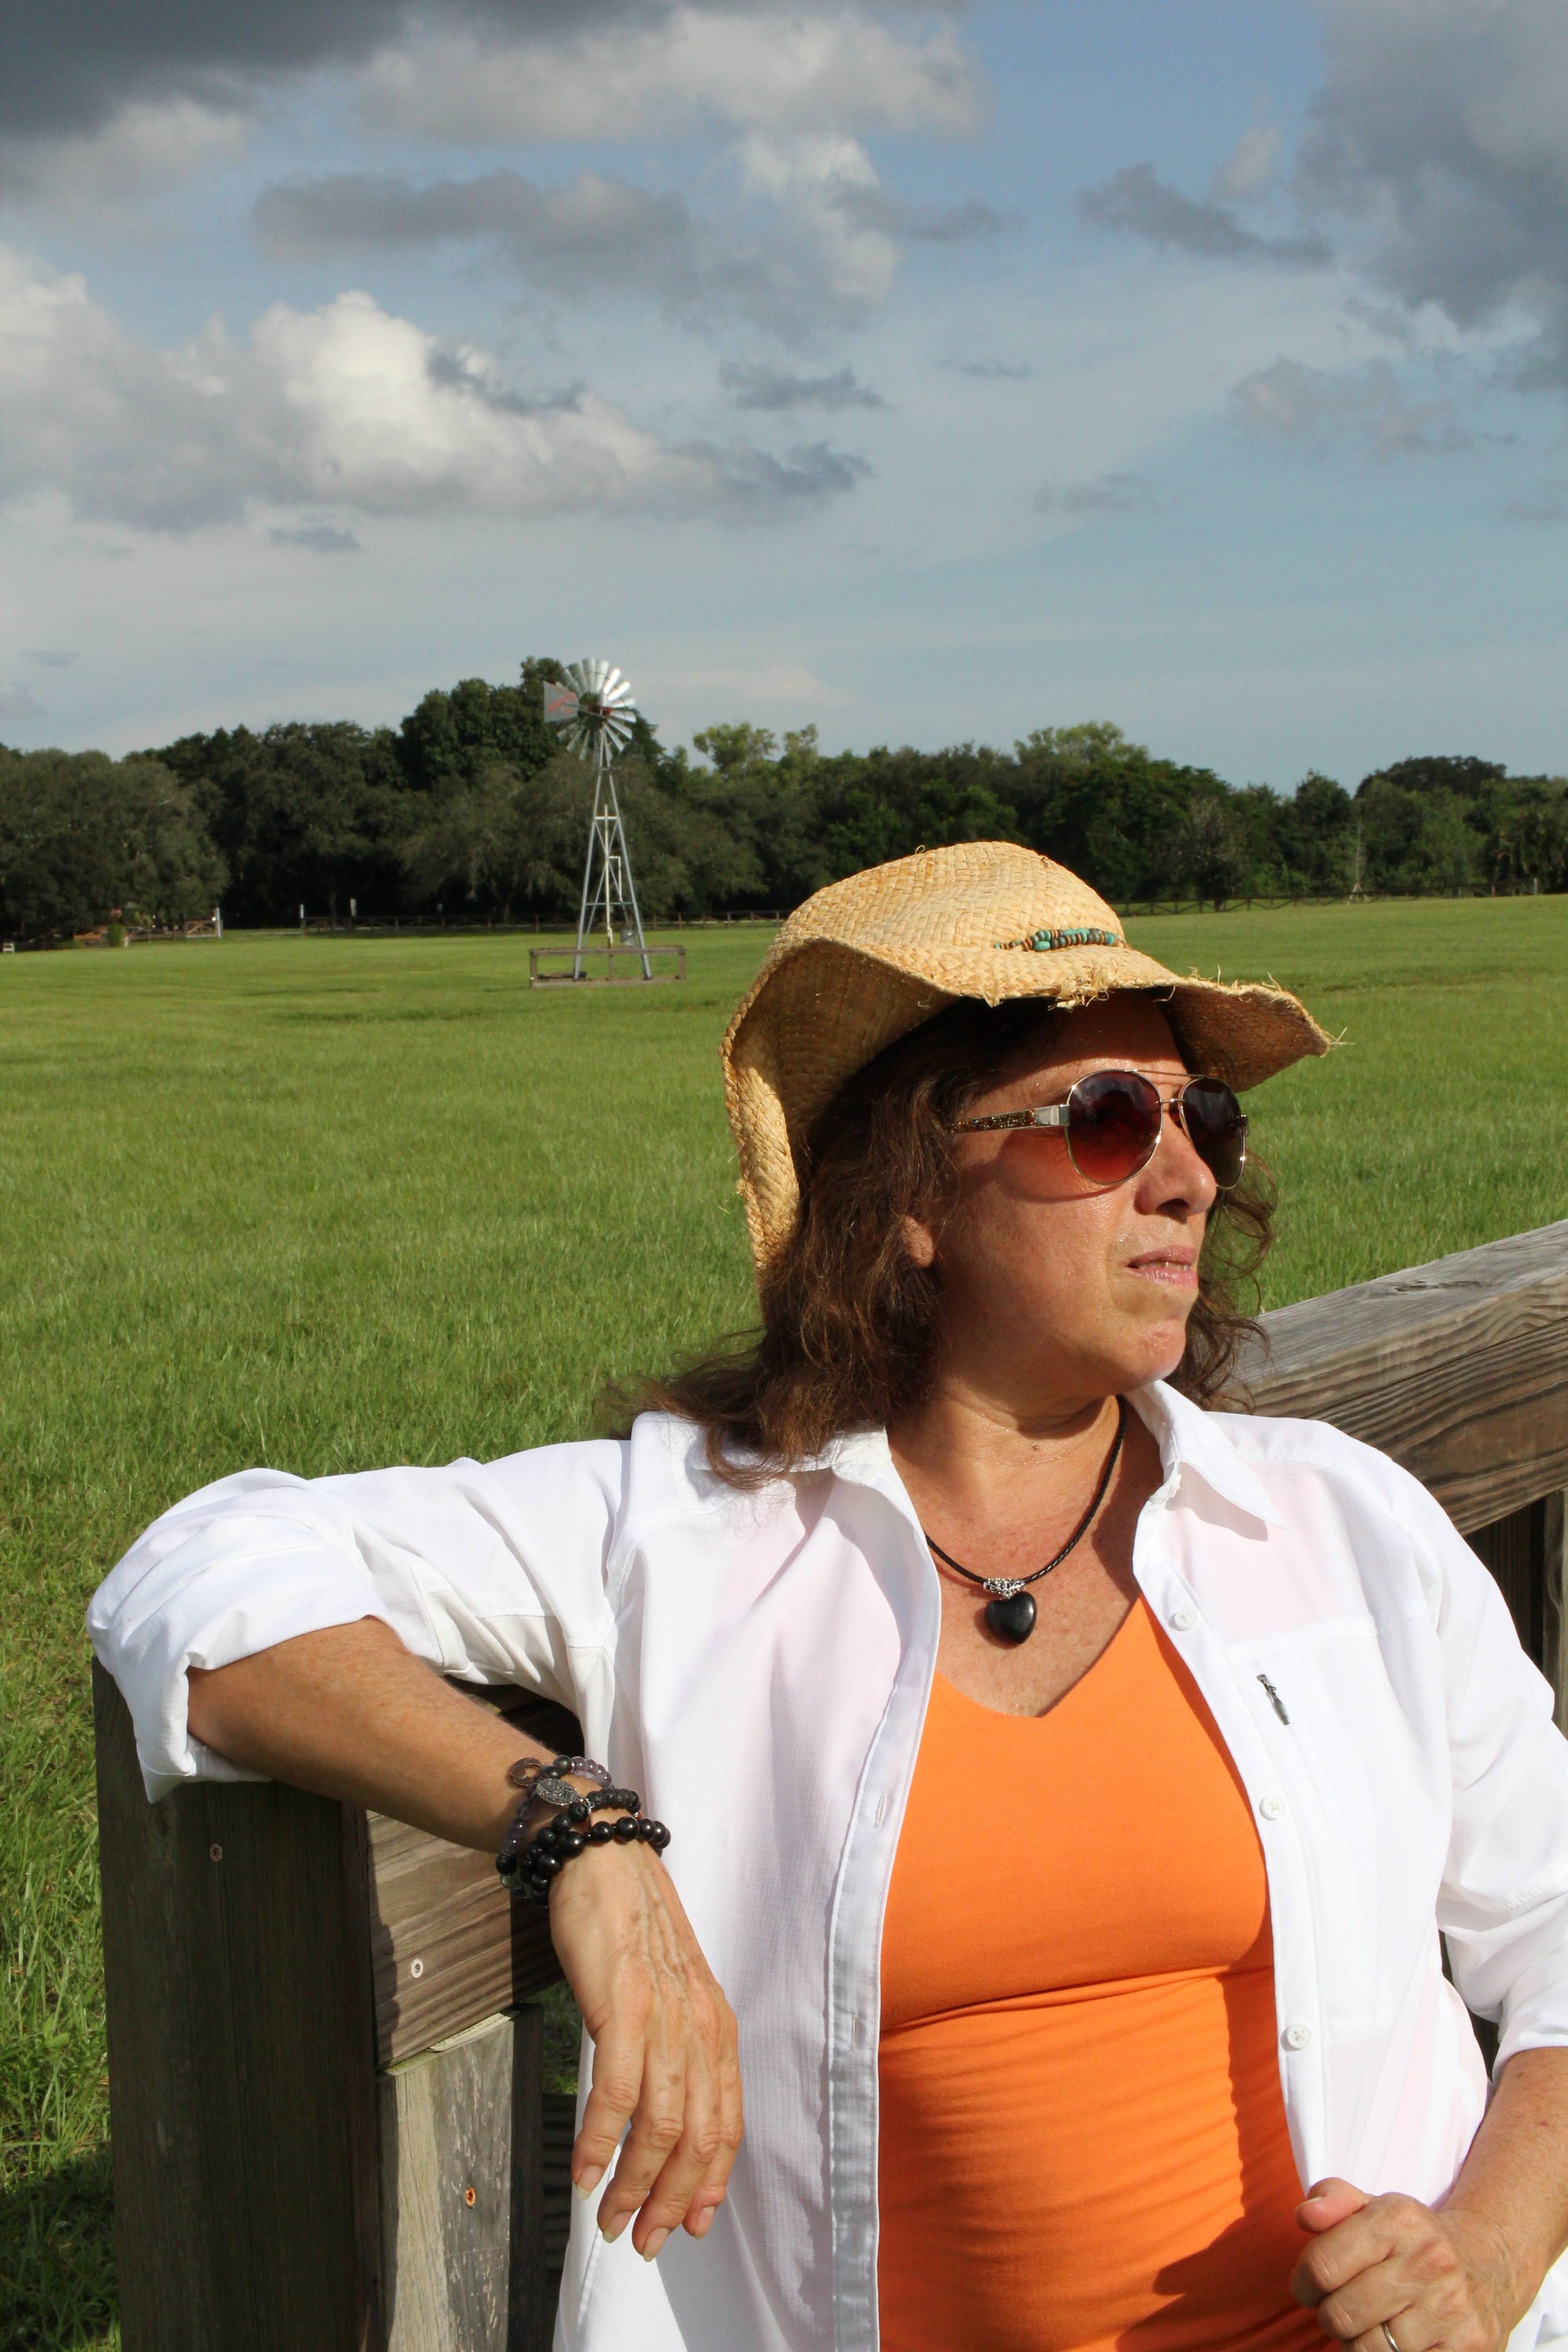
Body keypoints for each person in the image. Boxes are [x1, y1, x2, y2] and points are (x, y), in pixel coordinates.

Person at [90, 842, 1568, 2352]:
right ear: (912, 1196)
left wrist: (1493, 2253)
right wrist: (575, 1829)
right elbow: (201, 1577)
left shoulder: (1334, 1521)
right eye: (1110, 1120)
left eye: (1208, 1120)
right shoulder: (696, 1528)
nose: (1189, 1175)